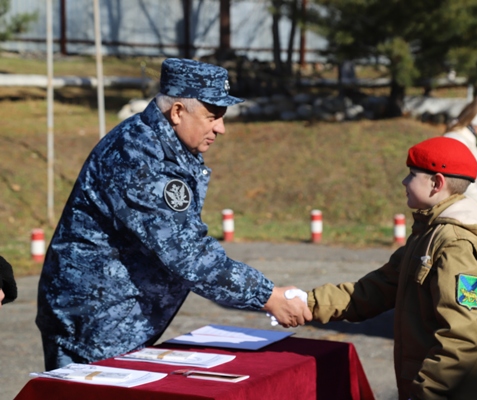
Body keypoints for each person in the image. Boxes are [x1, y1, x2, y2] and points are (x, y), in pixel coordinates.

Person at [36, 58, 311, 371]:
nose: (221, 128)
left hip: (118, 321)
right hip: (91, 326)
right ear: (178, 112)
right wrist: (267, 296)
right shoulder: (138, 156)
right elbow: (187, 253)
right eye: (213, 116)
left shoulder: (166, 145)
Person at [307, 137, 477, 400]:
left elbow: (461, 337)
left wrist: (425, 393)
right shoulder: (428, 233)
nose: (404, 181)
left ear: (436, 183)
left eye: (412, 174)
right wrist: (307, 303)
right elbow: (375, 290)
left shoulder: (456, 245)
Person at [444, 95, 477, 217]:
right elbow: (464, 181)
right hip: (459, 210)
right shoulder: (457, 140)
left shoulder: (465, 139)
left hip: (465, 206)